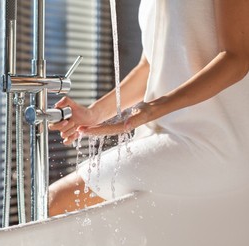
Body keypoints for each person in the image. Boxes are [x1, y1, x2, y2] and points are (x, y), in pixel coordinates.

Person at [48, 0, 249, 216]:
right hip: (165, 133)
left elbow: (237, 57)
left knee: (55, 201)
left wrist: (154, 108)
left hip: (215, 141)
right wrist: (93, 113)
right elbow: (149, 67)